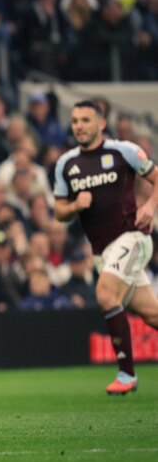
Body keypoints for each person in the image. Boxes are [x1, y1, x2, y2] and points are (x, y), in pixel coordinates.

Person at [52, 99, 158, 395]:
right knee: (152, 315)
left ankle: (127, 375)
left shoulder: (123, 151)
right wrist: (75, 205)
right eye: (75, 121)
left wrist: (150, 205)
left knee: (105, 294)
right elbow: (59, 211)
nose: (79, 126)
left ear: (100, 123)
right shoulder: (66, 164)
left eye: (85, 120)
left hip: (132, 237)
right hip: (102, 252)